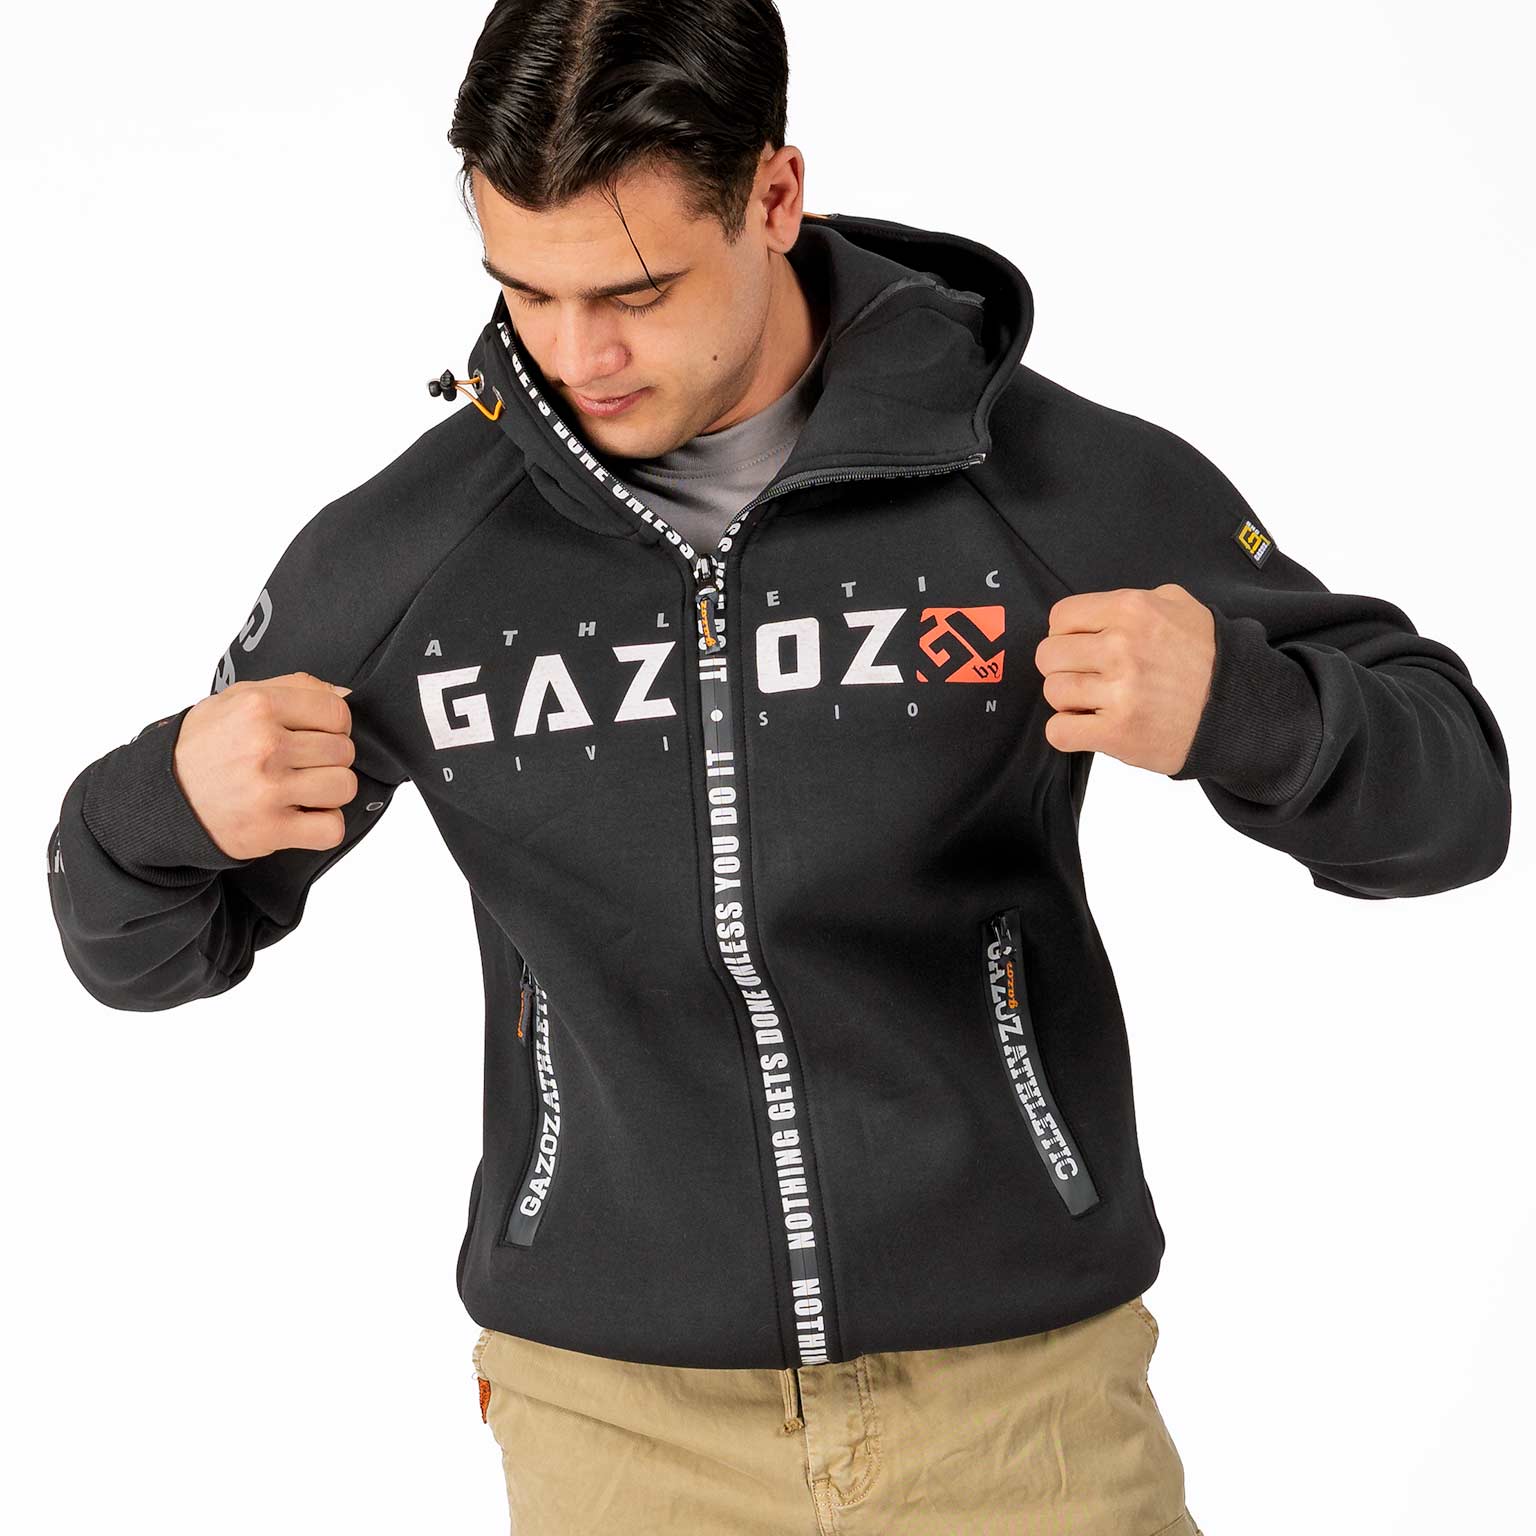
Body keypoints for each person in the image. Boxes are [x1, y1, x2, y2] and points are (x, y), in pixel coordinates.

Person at [46, 1, 1511, 1532]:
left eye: (636, 291)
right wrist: (164, 804)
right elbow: (135, 948)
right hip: (616, 1429)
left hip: (1020, 1410)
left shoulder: (1033, 485)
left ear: (773, 195)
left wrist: (1243, 712)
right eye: (525, 293)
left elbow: (1454, 803)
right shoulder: (419, 554)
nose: (577, 357)